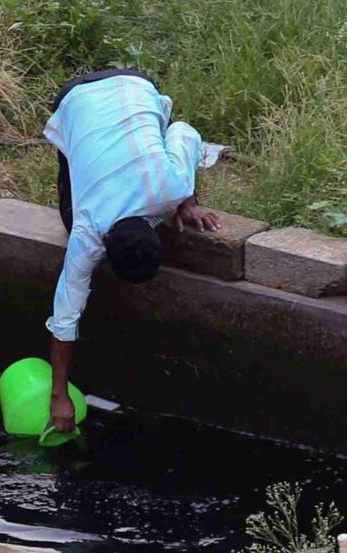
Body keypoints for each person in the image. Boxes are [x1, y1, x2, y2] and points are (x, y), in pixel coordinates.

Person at [45, 69, 220, 433]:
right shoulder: (86, 227)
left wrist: (187, 201)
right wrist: (57, 395)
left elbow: (184, 130)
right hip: (78, 96)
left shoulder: (172, 190)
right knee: (68, 209)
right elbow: (64, 316)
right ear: (103, 244)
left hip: (136, 84)